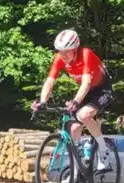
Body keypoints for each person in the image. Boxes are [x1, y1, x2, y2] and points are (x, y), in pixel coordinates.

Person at [32, 29, 114, 171]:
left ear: (75, 48)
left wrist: (76, 101)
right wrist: (43, 101)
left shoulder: (86, 54)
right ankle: (78, 165)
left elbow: (87, 82)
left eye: (66, 51)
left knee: (84, 115)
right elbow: (50, 81)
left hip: (101, 89)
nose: (63, 55)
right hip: (85, 91)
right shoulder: (59, 58)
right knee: (74, 127)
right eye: (60, 51)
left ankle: (103, 148)